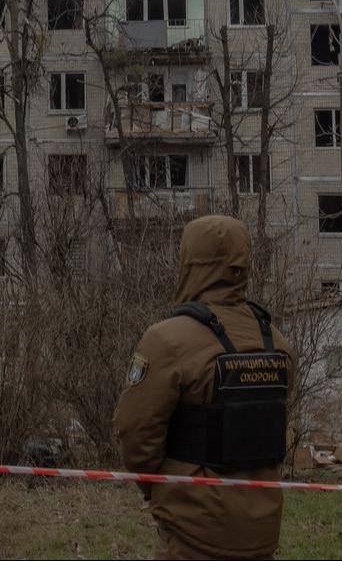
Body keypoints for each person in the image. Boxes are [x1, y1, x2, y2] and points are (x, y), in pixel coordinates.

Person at [115, 215, 294, 561]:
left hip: (191, 533)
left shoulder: (166, 340)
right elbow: (280, 429)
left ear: (189, 262)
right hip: (262, 533)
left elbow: (134, 431)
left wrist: (155, 489)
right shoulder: (277, 343)